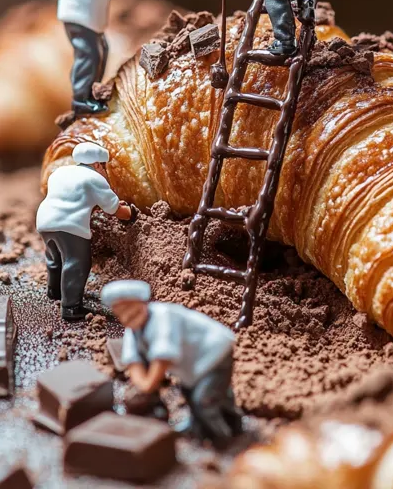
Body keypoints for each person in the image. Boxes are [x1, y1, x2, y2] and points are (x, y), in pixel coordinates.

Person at [101, 279, 243, 442]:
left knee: (204, 400)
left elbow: (163, 357)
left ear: (142, 303)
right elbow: (133, 360)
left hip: (214, 352)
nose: (127, 317)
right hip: (192, 365)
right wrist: (141, 385)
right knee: (192, 392)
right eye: (121, 314)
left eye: (131, 310)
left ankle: (221, 437)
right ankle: (200, 425)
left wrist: (148, 385)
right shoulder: (133, 331)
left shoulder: (163, 317)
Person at [36, 142, 132, 321]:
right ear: (97, 165)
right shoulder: (94, 178)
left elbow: (73, 197)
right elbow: (114, 210)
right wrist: (131, 213)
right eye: (104, 167)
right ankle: (71, 307)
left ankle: (54, 291)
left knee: (55, 259)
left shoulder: (60, 172)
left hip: (44, 220)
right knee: (76, 263)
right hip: (69, 225)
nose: (105, 171)